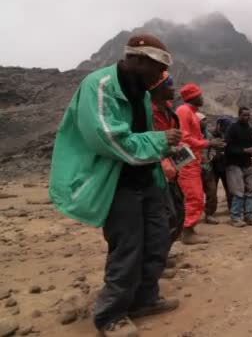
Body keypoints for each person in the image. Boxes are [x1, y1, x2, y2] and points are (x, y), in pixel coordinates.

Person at [49, 34, 181, 336]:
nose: (161, 75)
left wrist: (162, 150)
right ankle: (110, 314)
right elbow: (107, 139)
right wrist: (159, 141)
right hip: (115, 182)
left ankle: (145, 299)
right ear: (136, 59)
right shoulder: (99, 86)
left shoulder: (144, 94)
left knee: (158, 241)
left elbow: (140, 136)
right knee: (128, 248)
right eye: (156, 66)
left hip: (145, 179)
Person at [176, 84, 223, 244]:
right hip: (186, 159)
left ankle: (188, 229)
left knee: (194, 196)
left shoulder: (191, 113)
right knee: (194, 196)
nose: (203, 98)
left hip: (194, 159)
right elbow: (184, 137)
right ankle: (187, 232)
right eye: (200, 95)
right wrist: (208, 144)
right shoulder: (183, 111)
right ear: (193, 97)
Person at [150, 71, 184, 245]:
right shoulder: (148, 111)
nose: (173, 88)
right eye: (169, 85)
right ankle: (158, 257)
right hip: (157, 170)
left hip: (171, 169)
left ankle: (162, 253)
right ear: (158, 88)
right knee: (165, 214)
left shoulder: (168, 110)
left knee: (177, 211)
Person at [225, 107, 252, 227]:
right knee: (238, 191)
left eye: (249, 115)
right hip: (234, 164)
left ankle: (249, 216)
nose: (247, 117)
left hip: (247, 163)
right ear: (239, 115)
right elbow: (228, 147)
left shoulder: (251, 130)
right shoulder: (232, 128)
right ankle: (235, 217)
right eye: (245, 115)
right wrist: (245, 150)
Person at [204, 116, 233, 221]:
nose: (227, 128)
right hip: (213, 167)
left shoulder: (229, 135)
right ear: (220, 126)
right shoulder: (211, 135)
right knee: (211, 191)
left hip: (225, 166)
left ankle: (233, 210)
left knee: (230, 190)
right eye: (226, 126)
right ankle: (209, 213)